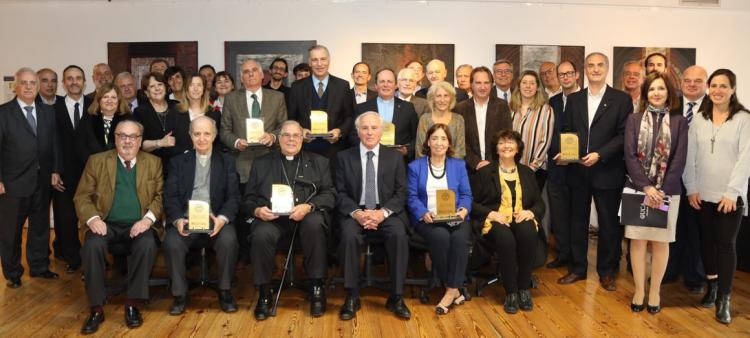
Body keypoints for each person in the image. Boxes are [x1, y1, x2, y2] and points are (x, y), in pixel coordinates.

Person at [75, 120, 162, 334]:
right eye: (122, 135)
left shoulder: (153, 162)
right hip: (106, 223)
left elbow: (160, 198)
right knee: (92, 246)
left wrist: (147, 221)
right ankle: (96, 308)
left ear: (140, 141)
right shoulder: (97, 161)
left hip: (139, 224)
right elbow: (82, 196)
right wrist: (94, 219)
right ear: (114, 138)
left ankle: (133, 303)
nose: (127, 141)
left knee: (148, 243)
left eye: (132, 136)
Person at [556, 52, 633, 291]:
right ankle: (578, 268)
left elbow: (623, 135)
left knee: (609, 224)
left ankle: (607, 271)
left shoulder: (621, 99)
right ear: (585, 70)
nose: (595, 69)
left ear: (607, 68)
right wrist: (566, 154)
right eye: (591, 65)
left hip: (607, 170)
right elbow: (568, 130)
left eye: (600, 65)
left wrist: (600, 154)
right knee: (577, 222)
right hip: (578, 171)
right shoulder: (575, 99)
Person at [244, 120, 335, 319]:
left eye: (296, 135)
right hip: (273, 220)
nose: (291, 139)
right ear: (279, 138)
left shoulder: (320, 162)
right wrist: (258, 211)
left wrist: (308, 206)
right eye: (286, 135)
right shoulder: (261, 163)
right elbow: (249, 198)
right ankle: (264, 292)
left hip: (306, 218)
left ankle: (317, 287)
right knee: (260, 233)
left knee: (315, 224)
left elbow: (329, 194)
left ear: (303, 139)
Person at [683, 68, 750, 324]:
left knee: (725, 245)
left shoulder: (744, 119)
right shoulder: (699, 118)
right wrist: (691, 187)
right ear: (708, 88)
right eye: (714, 85)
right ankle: (711, 284)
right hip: (701, 193)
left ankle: (724, 298)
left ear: (732, 89)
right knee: (705, 243)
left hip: (728, 197)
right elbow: (690, 155)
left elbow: (745, 160)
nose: (718, 90)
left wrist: (732, 192)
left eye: (724, 86)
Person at [336, 112, 411, 320]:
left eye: (374, 128)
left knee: (398, 235)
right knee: (349, 235)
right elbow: (339, 192)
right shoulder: (344, 157)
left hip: (386, 211)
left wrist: (382, 213)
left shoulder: (395, 157)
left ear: (382, 131)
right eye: (365, 128)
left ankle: (396, 296)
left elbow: (401, 192)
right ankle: (352, 295)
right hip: (355, 211)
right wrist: (358, 213)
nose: (369, 132)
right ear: (358, 131)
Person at [624, 72, 687, 315]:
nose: (656, 93)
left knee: (661, 243)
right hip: (637, 190)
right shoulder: (634, 119)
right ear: (645, 93)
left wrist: (660, 191)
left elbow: (679, 160)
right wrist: (647, 187)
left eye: (661, 89)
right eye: (652, 89)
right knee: (638, 241)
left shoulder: (680, 122)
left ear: (669, 93)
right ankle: (639, 289)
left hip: (667, 193)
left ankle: (655, 291)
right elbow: (629, 156)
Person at [162, 116, 239, 315]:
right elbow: (170, 196)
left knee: (229, 239)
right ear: (190, 136)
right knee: (172, 241)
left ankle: (225, 290)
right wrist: (178, 220)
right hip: (187, 219)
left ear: (214, 136)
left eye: (207, 133)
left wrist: (222, 219)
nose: (202, 138)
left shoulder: (227, 161)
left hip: (216, 219)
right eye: (197, 134)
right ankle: (180, 294)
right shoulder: (178, 162)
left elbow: (233, 197)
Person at [470, 130, 544, 314]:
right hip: (496, 218)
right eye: (501, 143)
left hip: (520, 216)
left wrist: (530, 212)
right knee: (506, 239)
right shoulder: (485, 172)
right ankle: (511, 292)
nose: (506, 146)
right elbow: (472, 203)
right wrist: (491, 214)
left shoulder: (527, 172)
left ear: (518, 148)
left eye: (510, 142)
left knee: (528, 233)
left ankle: (523, 288)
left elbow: (539, 203)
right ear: (496, 149)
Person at [0, 67, 61, 289]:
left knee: (40, 227)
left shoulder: (47, 112)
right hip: (12, 183)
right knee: (11, 231)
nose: (28, 87)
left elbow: (53, 143)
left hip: (42, 180)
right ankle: (13, 272)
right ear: (15, 86)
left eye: (32, 83)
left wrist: (55, 170)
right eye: (24, 83)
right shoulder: (4, 113)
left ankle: (39, 266)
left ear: (37, 87)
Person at [407, 124, 472, 315]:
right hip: (429, 219)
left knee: (460, 239)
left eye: (443, 139)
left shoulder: (458, 165)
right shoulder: (415, 166)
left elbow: (467, 194)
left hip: (456, 217)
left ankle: (450, 290)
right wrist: (422, 212)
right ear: (428, 141)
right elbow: (411, 196)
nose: (439, 143)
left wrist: (463, 210)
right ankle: (454, 289)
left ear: (449, 143)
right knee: (441, 237)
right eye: (435, 138)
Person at [664, 65, 709, 293]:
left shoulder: (716, 108)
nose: (692, 84)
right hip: (672, 176)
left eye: (697, 81)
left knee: (695, 228)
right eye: (688, 80)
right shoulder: (671, 106)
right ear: (681, 83)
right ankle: (669, 271)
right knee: (672, 226)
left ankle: (695, 276)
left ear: (706, 84)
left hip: (701, 180)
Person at [220, 59, 287, 191]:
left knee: (268, 207)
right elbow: (224, 130)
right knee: (244, 206)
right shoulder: (231, 98)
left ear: (262, 75)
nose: (251, 74)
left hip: (270, 160)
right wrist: (236, 142)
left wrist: (273, 137)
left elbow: (283, 127)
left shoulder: (278, 97)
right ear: (241, 78)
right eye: (246, 72)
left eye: (254, 70)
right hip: (241, 162)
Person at [52, 65, 92, 273]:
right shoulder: (53, 108)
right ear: (64, 83)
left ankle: (95, 257)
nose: (74, 82)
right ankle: (73, 259)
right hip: (64, 173)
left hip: (91, 173)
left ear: (85, 82)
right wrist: (54, 170)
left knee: (93, 216)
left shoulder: (95, 106)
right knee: (66, 218)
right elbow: (51, 142)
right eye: (70, 78)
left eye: (78, 78)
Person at [287, 45, 353, 164]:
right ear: (310, 63)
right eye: (315, 60)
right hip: (305, 149)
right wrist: (300, 130)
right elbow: (291, 118)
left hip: (334, 150)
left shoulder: (343, 86)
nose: (319, 64)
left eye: (323, 59)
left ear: (329, 60)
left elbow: (349, 116)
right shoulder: (297, 87)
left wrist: (339, 131)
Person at [545, 61, 581, 269]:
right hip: (556, 167)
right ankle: (563, 253)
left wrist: (572, 155)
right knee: (558, 215)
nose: (566, 77)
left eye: (569, 73)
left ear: (576, 75)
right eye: (562, 74)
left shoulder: (585, 99)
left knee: (576, 215)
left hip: (578, 169)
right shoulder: (553, 102)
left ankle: (577, 258)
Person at [352, 68, 419, 160]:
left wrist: (407, 150)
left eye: (389, 81)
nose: (386, 85)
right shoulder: (362, 108)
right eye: (382, 81)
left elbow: (416, 136)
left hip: (399, 161)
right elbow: (353, 136)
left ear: (396, 85)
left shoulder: (408, 108)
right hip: (370, 160)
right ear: (376, 85)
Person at [455, 66, 512, 172]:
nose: (482, 87)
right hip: (469, 169)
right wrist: (476, 162)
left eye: (486, 83)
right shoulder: (460, 108)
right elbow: (459, 141)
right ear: (471, 84)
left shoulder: (502, 106)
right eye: (478, 83)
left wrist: (490, 162)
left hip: (496, 167)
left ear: (491, 84)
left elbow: (506, 136)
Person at [509, 70, 554, 190]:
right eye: (524, 82)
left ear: (538, 87)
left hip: (535, 171)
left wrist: (532, 167)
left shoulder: (546, 110)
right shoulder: (510, 109)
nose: (528, 86)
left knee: (530, 207)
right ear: (519, 86)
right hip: (510, 168)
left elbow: (545, 141)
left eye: (532, 83)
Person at [76, 82, 131, 168]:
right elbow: (80, 146)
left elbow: (133, 146)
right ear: (99, 100)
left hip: (121, 169)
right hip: (93, 168)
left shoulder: (128, 120)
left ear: (119, 100)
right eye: (105, 97)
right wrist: (93, 164)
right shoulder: (88, 119)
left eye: (113, 97)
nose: (109, 101)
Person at [132, 72, 179, 171]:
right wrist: (160, 143)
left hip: (178, 165)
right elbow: (139, 143)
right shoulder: (140, 112)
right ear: (146, 92)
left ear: (165, 87)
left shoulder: (178, 106)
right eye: (152, 86)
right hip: (152, 166)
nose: (157, 88)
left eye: (160, 84)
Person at [173, 73, 223, 153]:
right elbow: (171, 142)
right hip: (181, 161)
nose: (195, 88)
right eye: (192, 85)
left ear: (203, 89)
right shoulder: (175, 112)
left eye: (199, 85)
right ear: (186, 89)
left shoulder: (215, 113)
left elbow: (218, 143)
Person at [415, 81, 466, 159]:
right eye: (438, 96)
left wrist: (445, 167)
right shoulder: (424, 119)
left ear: (451, 98)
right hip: (427, 168)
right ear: (433, 98)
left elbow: (460, 151)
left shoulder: (458, 120)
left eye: (446, 96)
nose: (442, 100)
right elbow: (420, 151)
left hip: (453, 168)